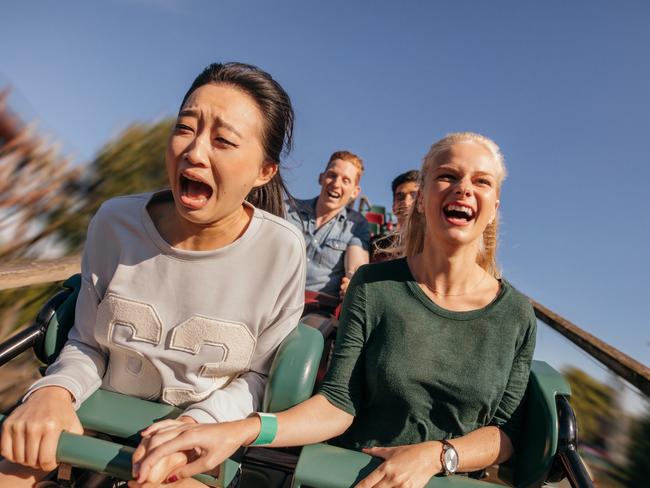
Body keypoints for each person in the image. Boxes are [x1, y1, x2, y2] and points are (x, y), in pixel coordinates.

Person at [129, 132, 537, 488]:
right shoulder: (376, 288)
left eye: (481, 182)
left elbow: (505, 434)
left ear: (494, 205)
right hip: (352, 473)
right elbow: (339, 403)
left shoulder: (516, 314)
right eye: (448, 176)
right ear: (424, 194)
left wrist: (436, 456)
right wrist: (239, 431)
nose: (464, 189)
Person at [0, 62, 306, 487]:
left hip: (200, 437)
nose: (195, 152)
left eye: (223, 141)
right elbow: (87, 343)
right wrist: (54, 392)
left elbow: (257, 377)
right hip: (92, 415)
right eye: (185, 128)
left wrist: (200, 423)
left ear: (263, 172)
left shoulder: (282, 251)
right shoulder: (114, 223)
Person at [285, 151, 370, 298]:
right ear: (321, 178)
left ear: (355, 192)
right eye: (332, 175)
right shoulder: (287, 209)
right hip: (271, 298)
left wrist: (352, 280)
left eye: (345, 180)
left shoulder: (357, 224)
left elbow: (356, 267)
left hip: (316, 312)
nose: (336, 184)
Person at [370, 169, 420, 262]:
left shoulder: (439, 245)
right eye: (400, 197)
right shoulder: (377, 247)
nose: (406, 202)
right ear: (393, 207)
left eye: (414, 196)